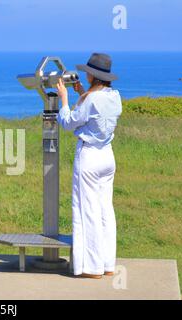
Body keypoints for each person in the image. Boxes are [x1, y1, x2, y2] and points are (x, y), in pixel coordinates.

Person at [56, 53, 122, 279]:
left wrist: (64, 99)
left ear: (93, 75)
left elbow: (67, 122)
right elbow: (96, 110)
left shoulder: (90, 100)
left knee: (88, 211)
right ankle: (107, 264)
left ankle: (92, 268)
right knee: (105, 210)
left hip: (90, 158)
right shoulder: (114, 95)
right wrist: (81, 93)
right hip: (107, 157)